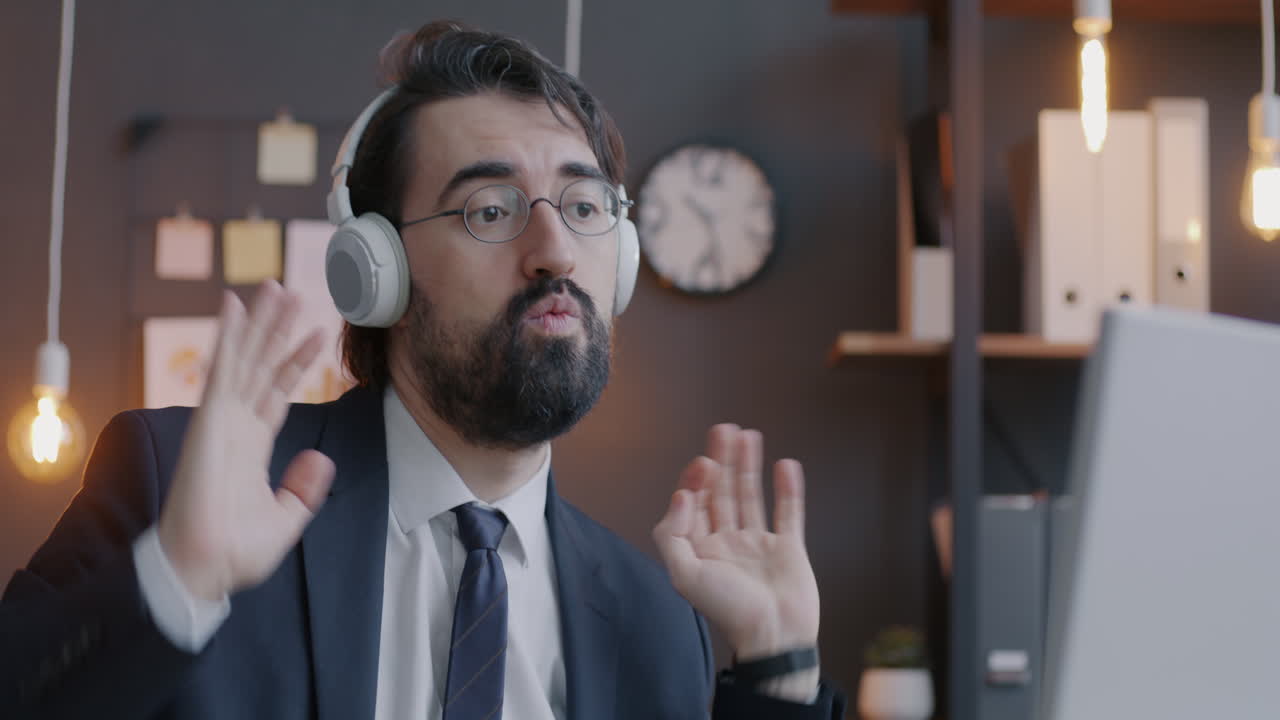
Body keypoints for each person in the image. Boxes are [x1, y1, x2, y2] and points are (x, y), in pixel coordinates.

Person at [1, 21, 845, 720]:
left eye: (584, 208)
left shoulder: (657, 623)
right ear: (378, 272)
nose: (554, 251)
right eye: (490, 209)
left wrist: (779, 670)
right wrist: (173, 586)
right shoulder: (174, 485)